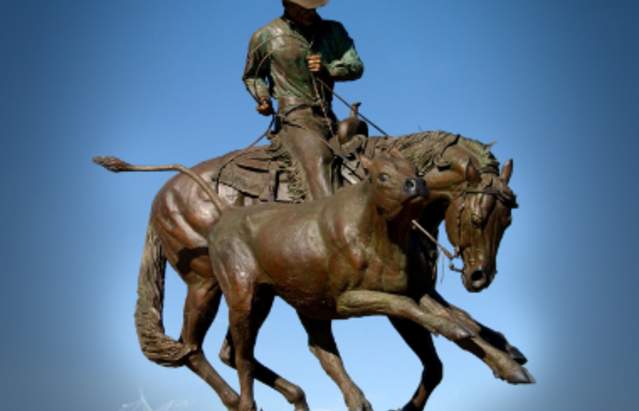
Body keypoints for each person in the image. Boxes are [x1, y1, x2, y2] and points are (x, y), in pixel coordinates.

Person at [242, 0, 364, 200]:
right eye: (302, 7)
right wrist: (263, 98)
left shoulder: (333, 30)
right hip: (294, 116)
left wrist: (329, 69)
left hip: (327, 113)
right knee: (319, 160)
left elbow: (356, 66)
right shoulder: (265, 36)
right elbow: (252, 76)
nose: (309, 12)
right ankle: (323, 217)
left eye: (312, 7)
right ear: (286, 4)